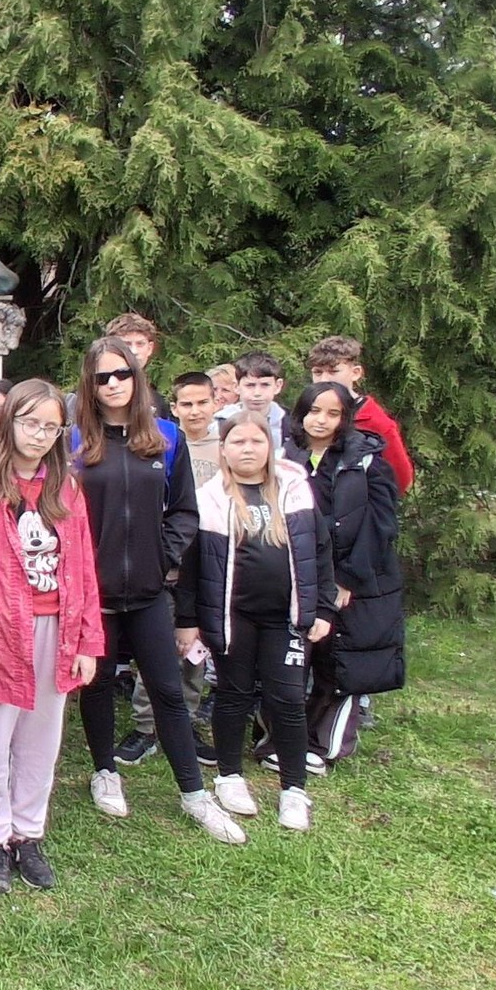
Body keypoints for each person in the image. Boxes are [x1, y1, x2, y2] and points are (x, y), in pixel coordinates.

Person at [72, 337, 247, 843]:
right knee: (97, 685)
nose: (112, 385)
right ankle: (105, 771)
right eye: (102, 377)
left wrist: (161, 558)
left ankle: (194, 792)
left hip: (149, 591)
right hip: (95, 594)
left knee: (168, 690)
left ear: (136, 376)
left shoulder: (166, 438)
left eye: (121, 374)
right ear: (89, 384)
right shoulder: (75, 441)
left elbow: (185, 511)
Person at [0, 380, 102, 892]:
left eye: (51, 427)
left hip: (56, 629)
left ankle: (27, 833)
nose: (39, 435)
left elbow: (84, 567)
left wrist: (88, 642)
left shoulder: (66, 489)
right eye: (30, 423)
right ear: (7, 422)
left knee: (39, 744)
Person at [178, 410, 335, 832]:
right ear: (223, 449)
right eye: (238, 442)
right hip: (233, 618)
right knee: (233, 694)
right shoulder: (210, 498)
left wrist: (323, 608)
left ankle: (294, 789)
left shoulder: (295, 490)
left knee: (288, 700)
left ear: (270, 446)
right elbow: (191, 569)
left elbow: (320, 551)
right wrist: (188, 620)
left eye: (256, 441)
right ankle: (229, 775)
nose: (247, 449)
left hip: (286, 617)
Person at [285, 381, 405, 758]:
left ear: (345, 418)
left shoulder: (366, 460)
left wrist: (348, 578)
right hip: (301, 576)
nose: (321, 420)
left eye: (332, 413)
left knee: (339, 664)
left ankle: (324, 744)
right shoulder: (286, 456)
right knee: (295, 661)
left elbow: (381, 525)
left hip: (353, 579)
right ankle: (284, 738)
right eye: (314, 411)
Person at [115, 369, 221, 769]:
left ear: (216, 403)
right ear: (173, 410)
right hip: (157, 567)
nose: (195, 411)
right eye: (186, 404)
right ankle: (146, 726)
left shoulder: (225, 447)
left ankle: (187, 722)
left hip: (204, 562)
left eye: (202, 402)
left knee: (193, 647)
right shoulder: (158, 445)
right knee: (157, 650)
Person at [306, 336, 415, 493]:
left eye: (333, 371)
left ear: (355, 373)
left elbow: (401, 479)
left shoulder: (376, 422)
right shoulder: (306, 415)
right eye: (317, 372)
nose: (324, 380)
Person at [104, 312, 172, 418]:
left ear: (149, 348)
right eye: (126, 344)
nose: (134, 351)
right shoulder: (92, 394)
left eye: (140, 344)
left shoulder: (157, 401)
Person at [216, 350, 287, 443]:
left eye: (265, 385)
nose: (257, 393)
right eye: (250, 385)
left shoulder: (289, 424)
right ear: (236, 387)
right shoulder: (219, 425)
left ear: (278, 386)